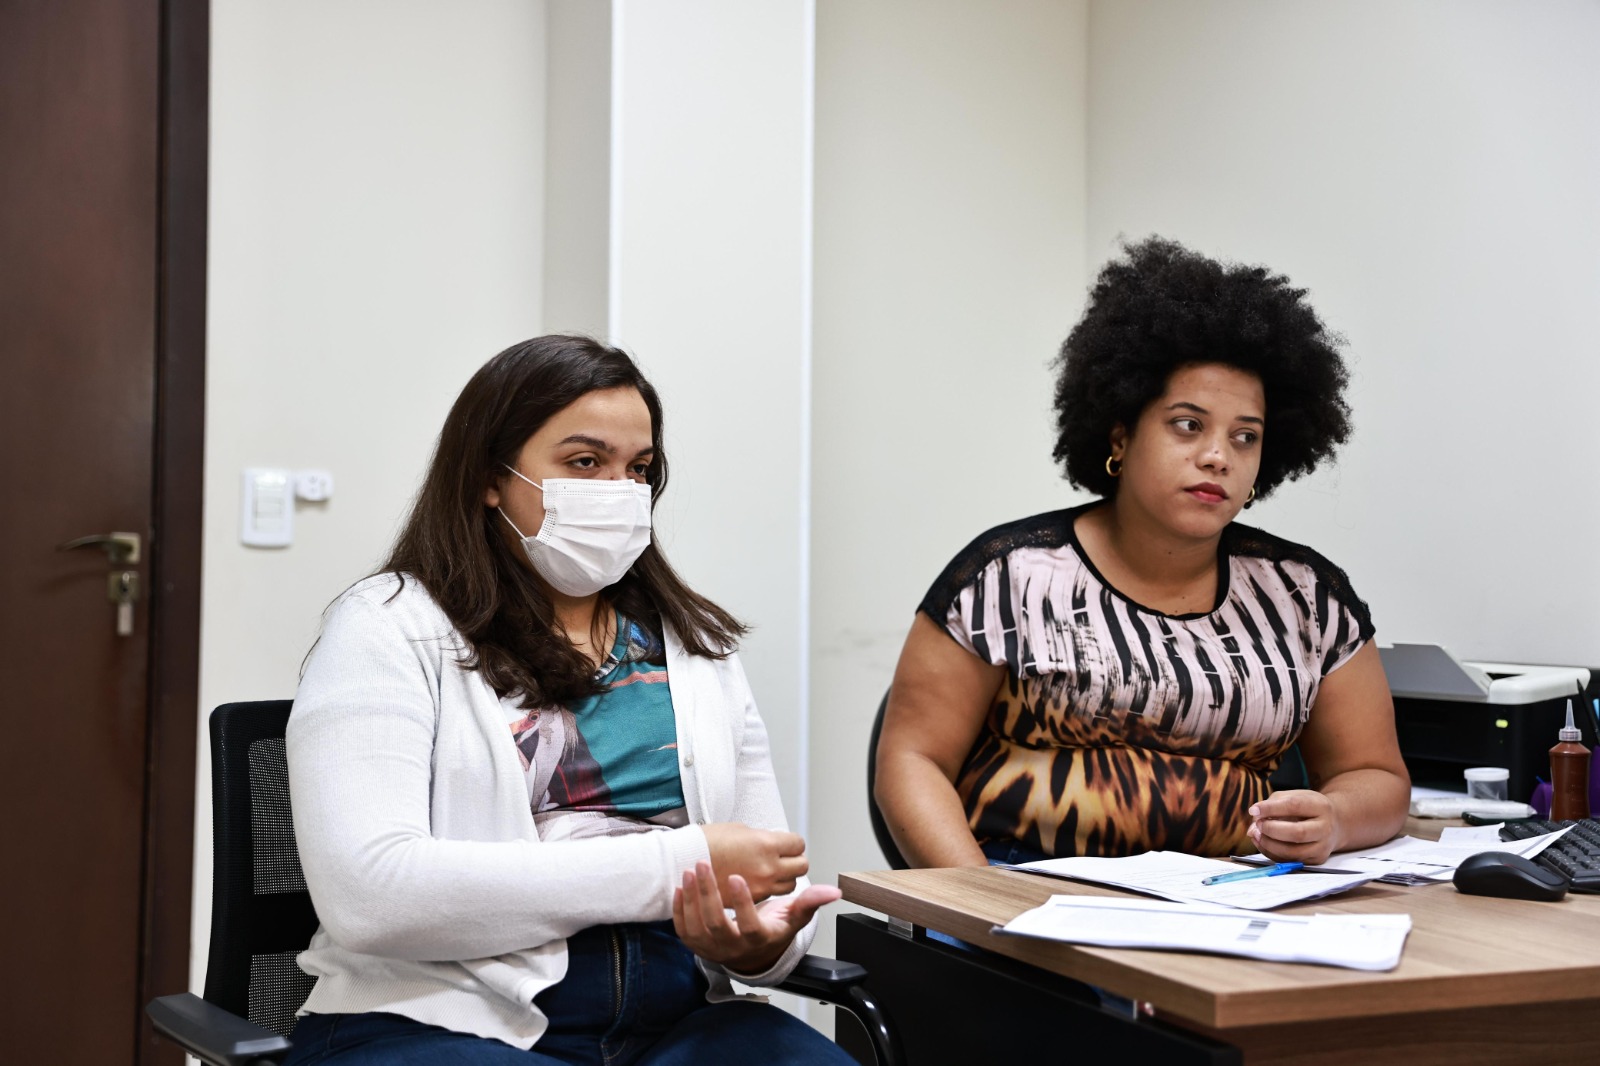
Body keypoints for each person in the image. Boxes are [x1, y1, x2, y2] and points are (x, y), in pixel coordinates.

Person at [283, 336, 854, 1065]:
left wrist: (756, 943)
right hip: (438, 1020)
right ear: (492, 476)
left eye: (638, 469)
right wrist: (674, 864)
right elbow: (373, 896)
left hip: (675, 1019)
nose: (618, 491)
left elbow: (769, 883)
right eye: (585, 463)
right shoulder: (389, 626)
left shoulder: (693, 644)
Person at [876, 237, 1410, 871]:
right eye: (1188, 424)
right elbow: (911, 763)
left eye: (1246, 437)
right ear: (1122, 432)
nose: (1218, 455)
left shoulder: (1305, 597)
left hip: (1239, 897)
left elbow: (1374, 773)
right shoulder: (1007, 578)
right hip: (1030, 894)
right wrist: (981, 903)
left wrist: (1337, 819)